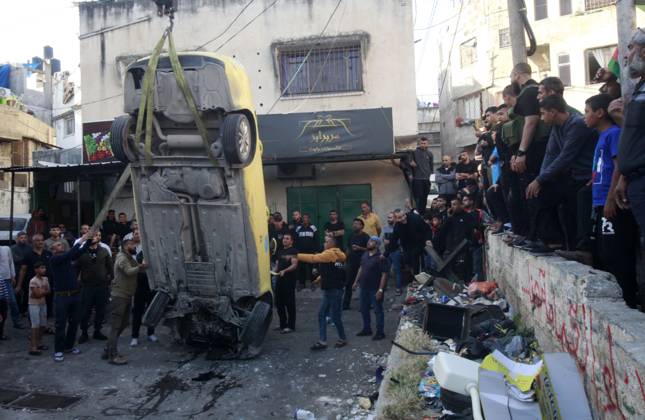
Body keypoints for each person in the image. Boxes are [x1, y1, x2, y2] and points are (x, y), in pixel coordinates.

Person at [582, 94, 639, 307]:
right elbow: (603, 166)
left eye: (587, 111)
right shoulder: (601, 136)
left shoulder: (614, 134)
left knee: (617, 255)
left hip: (613, 203)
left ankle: (629, 302)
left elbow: (618, 165)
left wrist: (610, 198)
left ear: (600, 113)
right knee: (604, 253)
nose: (584, 116)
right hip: (600, 201)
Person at [524, 95, 598, 253]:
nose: (542, 118)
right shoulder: (556, 127)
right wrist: (540, 180)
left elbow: (565, 157)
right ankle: (551, 240)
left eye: (543, 113)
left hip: (583, 177)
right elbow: (550, 154)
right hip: (570, 177)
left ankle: (567, 245)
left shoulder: (577, 124)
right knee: (539, 193)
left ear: (553, 112)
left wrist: (540, 180)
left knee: (571, 214)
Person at [614, 28, 645, 244]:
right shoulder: (639, 89)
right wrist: (624, 177)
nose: (627, 55)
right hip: (636, 179)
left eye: (631, 47)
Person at [295, 235, 347, 351]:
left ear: (332, 244)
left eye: (326, 241)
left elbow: (313, 258)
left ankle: (342, 338)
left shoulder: (330, 253)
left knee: (335, 317)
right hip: (330, 289)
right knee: (322, 314)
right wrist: (318, 280)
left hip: (334, 290)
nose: (324, 243)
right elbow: (331, 271)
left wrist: (296, 255)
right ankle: (322, 341)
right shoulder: (336, 254)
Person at [49, 231, 92, 362]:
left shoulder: (67, 257)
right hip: (61, 297)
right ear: (53, 250)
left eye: (61, 244)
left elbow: (81, 251)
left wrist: (89, 240)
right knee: (60, 324)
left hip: (74, 295)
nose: (61, 245)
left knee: (74, 322)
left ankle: (69, 346)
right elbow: (71, 253)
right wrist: (81, 239)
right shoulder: (55, 259)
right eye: (57, 245)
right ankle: (58, 350)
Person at [105, 239, 148, 365]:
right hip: (120, 296)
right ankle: (112, 355)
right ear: (125, 246)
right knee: (116, 325)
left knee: (124, 323)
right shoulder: (122, 258)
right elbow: (129, 271)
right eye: (132, 245)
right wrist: (141, 267)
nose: (135, 247)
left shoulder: (129, 257)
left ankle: (108, 349)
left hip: (127, 295)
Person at [77, 230, 112, 344]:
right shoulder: (82, 252)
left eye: (98, 235)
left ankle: (97, 331)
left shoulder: (104, 251)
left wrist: (110, 279)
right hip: (87, 286)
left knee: (100, 310)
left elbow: (110, 267)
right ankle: (84, 333)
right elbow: (76, 268)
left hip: (102, 286)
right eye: (94, 235)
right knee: (85, 310)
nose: (96, 237)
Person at [353, 237, 389, 340]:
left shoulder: (381, 258)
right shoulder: (365, 254)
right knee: (364, 309)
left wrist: (381, 290)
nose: (369, 242)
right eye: (369, 241)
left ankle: (380, 332)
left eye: (372, 241)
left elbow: (384, 274)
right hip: (363, 287)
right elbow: (361, 268)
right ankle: (367, 328)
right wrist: (356, 282)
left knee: (378, 310)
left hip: (375, 289)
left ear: (377, 245)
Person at [438, 199, 477, 282]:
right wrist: (448, 218)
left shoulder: (467, 216)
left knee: (463, 268)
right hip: (450, 247)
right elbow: (442, 231)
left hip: (463, 247)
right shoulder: (450, 218)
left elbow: (473, 227)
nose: (453, 206)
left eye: (455, 204)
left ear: (460, 205)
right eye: (452, 204)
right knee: (449, 268)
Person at [130, 229, 157, 346]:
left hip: (150, 283)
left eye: (140, 234)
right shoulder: (129, 248)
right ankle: (134, 336)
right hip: (138, 282)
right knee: (137, 311)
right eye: (136, 234)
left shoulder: (150, 247)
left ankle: (150, 333)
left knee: (152, 310)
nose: (138, 235)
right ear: (133, 235)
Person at [17, 234, 52, 319]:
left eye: (42, 240)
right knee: (33, 306)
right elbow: (23, 270)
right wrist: (19, 285)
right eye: (38, 240)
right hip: (33, 284)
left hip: (47, 284)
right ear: (33, 242)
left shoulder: (48, 254)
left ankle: (45, 324)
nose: (40, 242)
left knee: (48, 304)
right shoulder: (28, 255)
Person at [273, 232, 298, 333]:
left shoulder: (294, 251)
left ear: (291, 241)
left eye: (287, 239)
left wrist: (285, 271)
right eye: (284, 238)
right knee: (279, 303)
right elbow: (277, 265)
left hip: (289, 281)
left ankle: (291, 326)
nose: (285, 240)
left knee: (289, 304)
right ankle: (282, 324)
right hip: (280, 280)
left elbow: (294, 265)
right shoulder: (280, 251)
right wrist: (273, 271)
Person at [344, 219, 369, 309]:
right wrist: (345, 259)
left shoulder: (366, 237)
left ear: (362, 226)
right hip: (351, 263)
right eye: (353, 224)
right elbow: (348, 247)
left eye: (357, 224)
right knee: (348, 284)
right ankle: (346, 304)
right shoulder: (351, 236)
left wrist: (359, 248)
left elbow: (370, 249)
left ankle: (365, 305)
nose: (354, 226)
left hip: (362, 263)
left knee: (364, 284)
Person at [28, 261, 50, 356]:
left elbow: (48, 291)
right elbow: (36, 295)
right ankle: (33, 347)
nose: (44, 269)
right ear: (36, 269)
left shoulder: (46, 279)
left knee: (43, 325)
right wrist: (41, 292)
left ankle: (39, 343)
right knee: (35, 326)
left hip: (42, 304)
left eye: (44, 267)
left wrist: (40, 292)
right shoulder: (33, 281)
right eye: (41, 268)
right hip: (33, 305)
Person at [0, 245, 22, 330]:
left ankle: (16, 321)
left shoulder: (6, 249)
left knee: (12, 301)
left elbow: (10, 262)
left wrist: (13, 275)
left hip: (6, 279)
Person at [410, 137, 434, 212]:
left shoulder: (430, 154)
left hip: (427, 179)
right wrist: (411, 161)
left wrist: (431, 176)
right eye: (422, 143)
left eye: (425, 143)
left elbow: (431, 166)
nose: (423, 145)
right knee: (418, 198)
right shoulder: (414, 152)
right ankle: (418, 212)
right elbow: (407, 157)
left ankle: (424, 213)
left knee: (426, 197)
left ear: (427, 144)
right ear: (419, 144)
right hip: (418, 179)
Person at [295, 213, 318, 290]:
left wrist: (316, 251)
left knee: (312, 269)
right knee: (301, 268)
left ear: (309, 219)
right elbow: (295, 240)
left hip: (311, 252)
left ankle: (313, 283)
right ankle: (302, 284)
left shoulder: (313, 228)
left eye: (306, 218)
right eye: (304, 218)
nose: (305, 219)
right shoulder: (298, 228)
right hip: (301, 252)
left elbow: (316, 240)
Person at [382, 212, 403, 295]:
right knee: (386, 270)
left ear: (394, 218)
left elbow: (400, 240)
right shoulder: (387, 228)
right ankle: (384, 286)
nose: (388, 219)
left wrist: (390, 242)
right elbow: (384, 237)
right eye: (388, 217)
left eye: (390, 218)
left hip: (395, 251)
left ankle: (398, 288)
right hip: (387, 251)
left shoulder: (398, 228)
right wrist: (384, 241)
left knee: (397, 270)